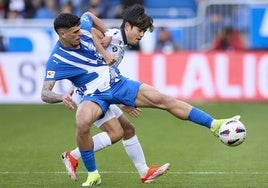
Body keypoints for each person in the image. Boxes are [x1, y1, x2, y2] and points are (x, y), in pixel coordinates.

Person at [41, 4, 240, 187]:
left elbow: (87, 17)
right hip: (93, 95)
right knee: (85, 121)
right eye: (140, 30)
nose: (80, 33)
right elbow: (45, 92)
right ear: (63, 34)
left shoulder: (89, 31)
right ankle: (92, 172)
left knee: (153, 108)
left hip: (116, 84)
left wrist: (105, 32)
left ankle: (214, 125)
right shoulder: (56, 60)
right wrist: (61, 97)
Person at [60, 23, 169, 183]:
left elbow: (105, 72)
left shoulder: (118, 40)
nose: (141, 35)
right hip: (91, 95)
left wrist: (120, 99)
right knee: (116, 133)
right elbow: (87, 25)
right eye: (140, 31)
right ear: (128, 26)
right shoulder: (113, 37)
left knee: (128, 129)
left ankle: (144, 172)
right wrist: (104, 38)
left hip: (102, 91)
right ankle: (73, 156)